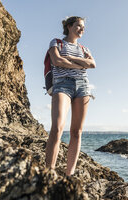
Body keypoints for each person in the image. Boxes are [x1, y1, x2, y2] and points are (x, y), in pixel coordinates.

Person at [45, 16, 96, 176]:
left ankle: (69, 175)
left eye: (83, 27)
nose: (82, 29)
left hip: (83, 86)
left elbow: (93, 64)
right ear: (68, 26)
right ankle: (48, 173)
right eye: (78, 26)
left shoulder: (84, 48)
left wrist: (71, 59)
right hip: (62, 85)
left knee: (77, 132)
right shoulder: (56, 42)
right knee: (57, 128)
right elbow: (57, 60)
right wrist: (81, 64)